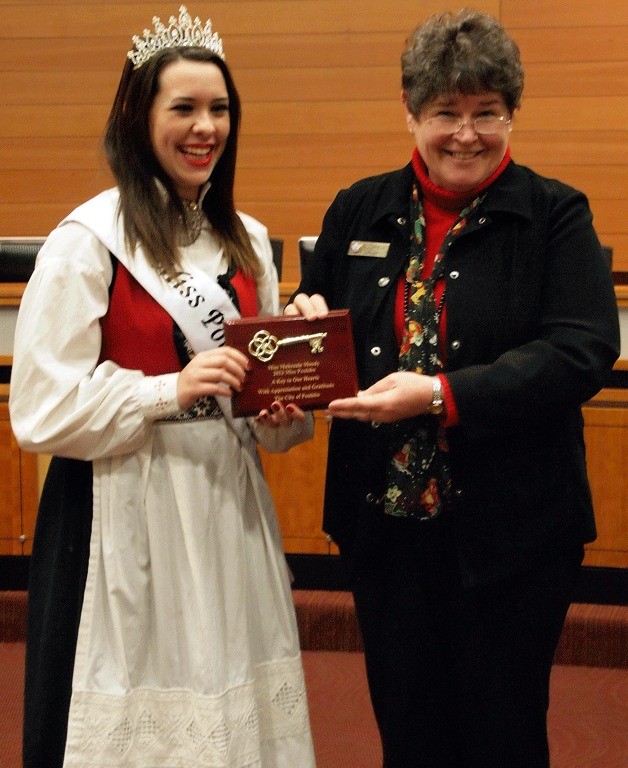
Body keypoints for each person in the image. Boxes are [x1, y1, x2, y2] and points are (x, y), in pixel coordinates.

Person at [286, 8, 620, 768]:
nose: (466, 135)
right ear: (410, 112)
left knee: (502, 735)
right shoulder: (358, 208)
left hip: (515, 537)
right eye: (445, 114)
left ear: (511, 116)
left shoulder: (555, 215)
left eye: (487, 114)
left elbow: (582, 349)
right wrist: (304, 323)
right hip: (385, 530)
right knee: (408, 730)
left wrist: (440, 396)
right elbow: (319, 323)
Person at [9, 7, 316, 767]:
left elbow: (268, 425)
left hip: (226, 512)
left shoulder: (245, 242)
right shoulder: (88, 243)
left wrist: (285, 409)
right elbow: (38, 412)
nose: (204, 127)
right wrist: (166, 391)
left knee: (228, 703)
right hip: (120, 513)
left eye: (219, 109)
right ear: (137, 115)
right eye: (183, 108)